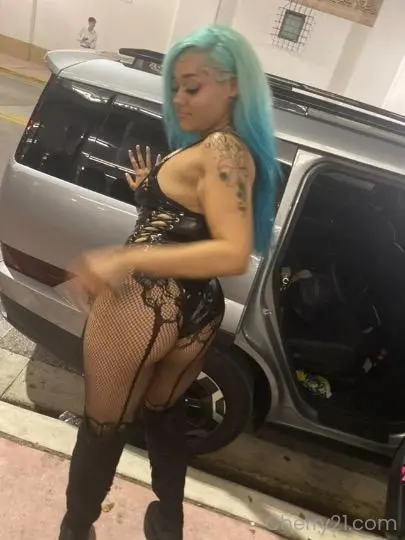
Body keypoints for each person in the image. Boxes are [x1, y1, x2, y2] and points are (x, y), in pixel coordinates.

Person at [59, 24, 279, 540]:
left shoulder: (222, 151)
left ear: (233, 87)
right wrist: (150, 191)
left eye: (193, 86)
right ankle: (167, 522)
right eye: (175, 86)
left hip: (141, 303)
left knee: (103, 428)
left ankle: (76, 531)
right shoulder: (224, 150)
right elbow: (192, 223)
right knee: (164, 415)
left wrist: (122, 258)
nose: (179, 97)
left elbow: (232, 252)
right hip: (196, 311)